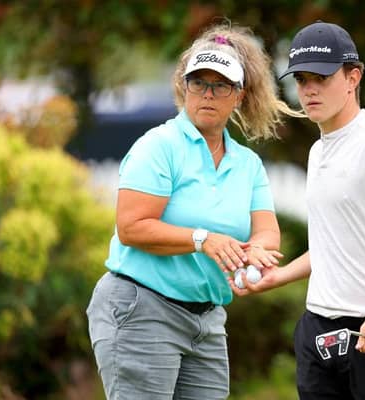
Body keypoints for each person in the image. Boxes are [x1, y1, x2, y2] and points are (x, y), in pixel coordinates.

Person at [86, 22, 299, 399]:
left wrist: (255, 251)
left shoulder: (246, 163)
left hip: (207, 318)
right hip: (141, 307)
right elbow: (131, 227)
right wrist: (202, 239)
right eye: (198, 82)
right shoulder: (160, 146)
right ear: (184, 87)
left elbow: (266, 232)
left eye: (220, 85)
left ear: (239, 95)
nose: (207, 94)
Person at [231, 21, 365, 399]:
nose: (308, 90)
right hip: (319, 329)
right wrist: (278, 277)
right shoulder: (318, 150)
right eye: (301, 79)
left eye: (320, 78)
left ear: (352, 77)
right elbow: (333, 245)